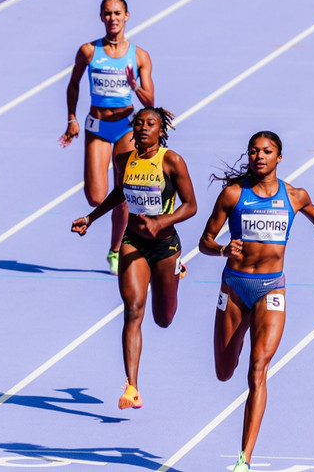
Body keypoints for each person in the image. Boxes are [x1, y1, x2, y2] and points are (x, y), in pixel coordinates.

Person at [198, 131, 314, 472]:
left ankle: (244, 459)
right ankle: (241, 326)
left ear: (279, 157)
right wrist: (221, 249)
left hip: (271, 290)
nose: (259, 156)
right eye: (254, 151)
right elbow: (205, 241)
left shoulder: (295, 195)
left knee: (258, 370)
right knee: (223, 372)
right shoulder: (233, 195)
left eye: (267, 151)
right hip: (234, 288)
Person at [72, 107, 196, 408]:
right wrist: (91, 218)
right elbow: (119, 193)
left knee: (163, 319)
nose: (143, 128)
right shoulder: (123, 160)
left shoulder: (171, 161)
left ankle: (176, 273)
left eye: (150, 124)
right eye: (138, 123)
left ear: (160, 130)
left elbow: (191, 205)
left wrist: (161, 222)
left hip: (165, 247)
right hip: (133, 242)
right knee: (133, 309)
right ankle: (132, 387)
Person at [60, 0, 155, 275]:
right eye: (107, 13)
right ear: (101, 17)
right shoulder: (89, 51)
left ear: (127, 16)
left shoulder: (139, 56)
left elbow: (150, 101)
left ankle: (116, 250)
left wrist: (133, 85)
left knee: (123, 193)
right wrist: (71, 119)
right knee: (96, 196)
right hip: (97, 128)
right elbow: (73, 85)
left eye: (117, 13)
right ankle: (115, 237)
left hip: (126, 126)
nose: (112, 18)